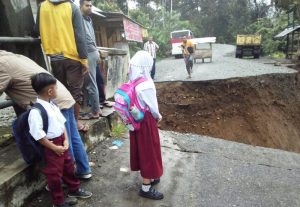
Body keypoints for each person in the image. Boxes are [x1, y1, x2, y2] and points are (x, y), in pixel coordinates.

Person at [0, 50, 92, 179]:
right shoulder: (16, 56)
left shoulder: (1, 64)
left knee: (63, 143)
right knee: (73, 138)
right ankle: (83, 170)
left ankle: (67, 180)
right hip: (62, 96)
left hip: (51, 102)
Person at [29, 73, 92, 207]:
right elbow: (38, 135)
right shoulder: (36, 112)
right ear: (50, 91)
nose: (57, 90)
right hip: (50, 146)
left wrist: (66, 140)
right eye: (56, 88)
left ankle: (74, 189)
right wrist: (54, 148)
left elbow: (62, 123)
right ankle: (58, 202)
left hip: (61, 142)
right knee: (54, 175)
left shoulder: (53, 105)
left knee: (69, 167)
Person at [35, 0, 89, 131]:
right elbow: (80, 36)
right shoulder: (72, 7)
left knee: (60, 90)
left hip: (54, 57)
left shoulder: (42, 7)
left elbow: (36, 30)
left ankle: (63, 122)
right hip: (72, 56)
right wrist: (84, 59)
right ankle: (74, 123)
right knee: (75, 91)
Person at [128, 51, 164, 200]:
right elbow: (153, 108)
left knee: (142, 150)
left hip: (135, 121)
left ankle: (151, 177)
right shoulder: (146, 84)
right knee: (149, 151)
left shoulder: (132, 82)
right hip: (146, 122)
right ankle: (146, 187)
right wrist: (159, 117)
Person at [79, 0, 102, 119]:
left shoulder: (84, 19)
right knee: (89, 83)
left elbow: (87, 38)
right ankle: (93, 108)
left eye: (90, 5)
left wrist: (92, 52)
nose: (89, 7)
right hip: (91, 52)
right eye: (87, 5)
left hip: (88, 53)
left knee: (91, 84)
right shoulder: (86, 19)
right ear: (81, 6)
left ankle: (95, 111)